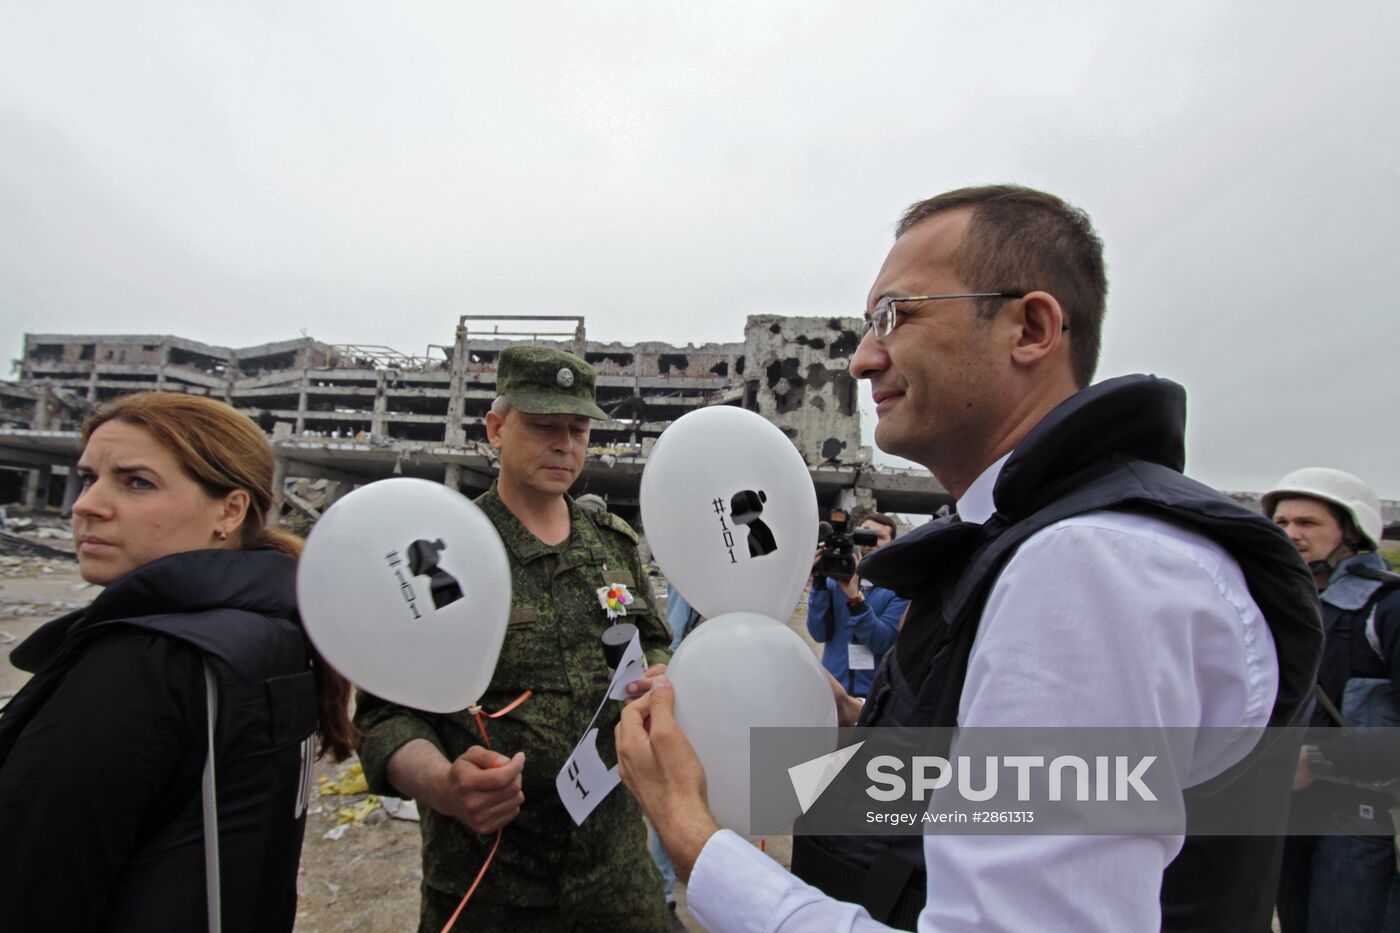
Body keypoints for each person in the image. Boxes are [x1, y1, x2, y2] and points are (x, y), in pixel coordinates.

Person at [616, 184, 1323, 932]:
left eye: (896, 314)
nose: (862, 359)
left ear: (1030, 328)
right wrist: (864, 728)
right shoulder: (1032, 538)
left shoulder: (1086, 567)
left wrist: (694, 836)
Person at [0, 391, 357, 933]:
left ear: (230, 510)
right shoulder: (273, 631)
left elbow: (29, 889)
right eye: (89, 478)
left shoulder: (145, 663)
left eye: (137, 482)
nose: (86, 505)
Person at [354, 345, 672, 932]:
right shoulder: (442, 555)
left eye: (578, 429)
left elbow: (653, 640)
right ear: (497, 429)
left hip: (617, 879)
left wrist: (657, 675)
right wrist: (444, 785)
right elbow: (384, 716)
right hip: (492, 886)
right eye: (545, 426)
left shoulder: (613, 544)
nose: (565, 444)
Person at [1266, 468, 1400, 931]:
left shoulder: (1389, 609)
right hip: (1287, 812)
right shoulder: (1279, 608)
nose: (1291, 534)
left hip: (1366, 818)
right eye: (1281, 523)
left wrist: (1322, 759)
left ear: (1353, 532)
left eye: (1307, 523)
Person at [806, 512, 909, 698]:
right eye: (866, 534)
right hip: (834, 689)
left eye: (880, 537)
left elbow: (881, 642)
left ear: (892, 542)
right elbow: (818, 634)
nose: (871, 542)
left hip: (873, 694)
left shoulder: (898, 590)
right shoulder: (834, 582)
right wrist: (819, 582)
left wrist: (855, 599)